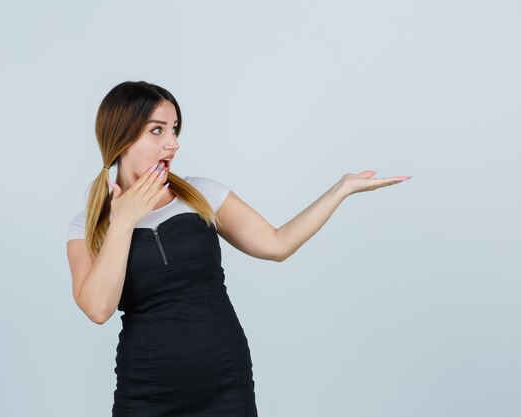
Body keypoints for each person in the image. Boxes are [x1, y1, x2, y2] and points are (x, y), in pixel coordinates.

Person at [66, 80, 411, 417]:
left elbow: (277, 244)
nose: (172, 143)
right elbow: (98, 309)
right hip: (145, 395)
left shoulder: (202, 195)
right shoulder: (88, 226)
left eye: (175, 130)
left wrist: (342, 188)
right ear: (122, 137)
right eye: (158, 130)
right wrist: (123, 221)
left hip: (225, 386)